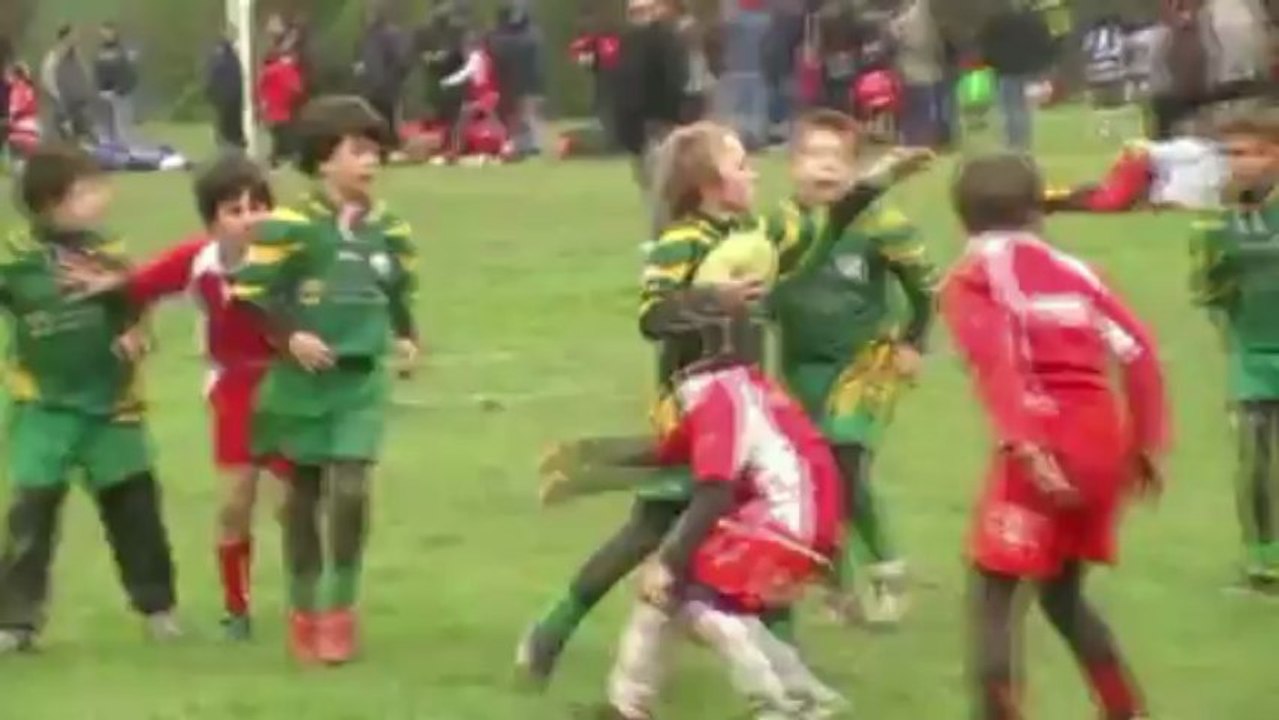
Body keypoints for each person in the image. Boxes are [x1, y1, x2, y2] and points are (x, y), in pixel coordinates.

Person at [516, 121, 912, 685]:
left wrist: (870, 186)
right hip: (696, 406)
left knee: (767, 525)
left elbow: (811, 241)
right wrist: (710, 298)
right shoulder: (682, 240)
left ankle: (785, 664)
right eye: (741, 164)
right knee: (649, 529)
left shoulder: (751, 230)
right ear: (707, 182)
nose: (753, 171)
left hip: (750, 406)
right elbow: (653, 316)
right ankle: (551, 630)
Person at [942, 154, 1168, 720]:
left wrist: (1026, 444)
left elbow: (999, 362)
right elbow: (1139, 353)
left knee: (993, 595)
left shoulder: (971, 277)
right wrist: (1143, 443)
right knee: (1062, 594)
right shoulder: (1076, 272)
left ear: (962, 219)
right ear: (1038, 213)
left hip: (1043, 449)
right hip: (1102, 448)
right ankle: (1125, 710)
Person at [60, 155, 286, 640]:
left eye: (259, 206)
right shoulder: (198, 260)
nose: (251, 218)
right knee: (235, 502)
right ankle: (237, 607)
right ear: (213, 222)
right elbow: (141, 285)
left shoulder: (293, 253)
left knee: (296, 503)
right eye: (236, 210)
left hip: (293, 384)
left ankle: (315, 606)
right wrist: (132, 321)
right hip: (234, 384)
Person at [230, 96, 419, 665]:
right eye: (357, 151)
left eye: (375, 151)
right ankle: (304, 606)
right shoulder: (289, 227)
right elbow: (250, 297)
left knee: (353, 487)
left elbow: (396, 291)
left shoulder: (389, 227)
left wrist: (407, 335)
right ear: (323, 159)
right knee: (302, 499)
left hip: (360, 384)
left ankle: (341, 608)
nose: (371, 162)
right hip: (301, 385)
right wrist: (290, 337)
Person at [595, 297, 846, 720]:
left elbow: (715, 490)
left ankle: (780, 705)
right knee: (672, 593)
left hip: (790, 517)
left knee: (700, 603)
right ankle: (628, 705)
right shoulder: (730, 386)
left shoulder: (718, 396)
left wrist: (669, 559)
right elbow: (670, 450)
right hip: (795, 508)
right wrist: (588, 460)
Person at [0, 143, 181, 654]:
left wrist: (136, 336)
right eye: (86, 191)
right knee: (31, 514)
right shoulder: (14, 259)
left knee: (135, 511)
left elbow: (140, 307)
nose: (103, 196)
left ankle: (158, 608)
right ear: (50, 203)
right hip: (43, 407)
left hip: (112, 408)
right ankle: (16, 622)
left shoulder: (110, 253)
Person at [767, 110, 936, 626]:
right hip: (799, 365)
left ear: (855, 167)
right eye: (814, 156)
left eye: (837, 158)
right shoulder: (780, 225)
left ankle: (888, 570)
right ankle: (835, 584)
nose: (826, 168)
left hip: (866, 361)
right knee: (812, 473)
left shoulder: (882, 223)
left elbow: (924, 289)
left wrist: (913, 341)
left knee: (844, 457)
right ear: (794, 165)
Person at [1190, 108, 1279, 587]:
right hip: (1254, 355)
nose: (1241, 163)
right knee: (1255, 459)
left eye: (1254, 153)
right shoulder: (1214, 222)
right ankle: (1263, 556)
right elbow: (1208, 290)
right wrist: (1237, 344)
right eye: (1233, 154)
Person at [1044, 116, 1227, 213]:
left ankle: (1060, 199)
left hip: (1153, 189)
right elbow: (1140, 150)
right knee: (1108, 202)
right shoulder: (1194, 150)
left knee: (1104, 200)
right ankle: (1056, 200)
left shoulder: (1216, 167)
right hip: (1142, 175)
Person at [614, 0, 690, 232]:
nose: (640, 17)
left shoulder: (668, 40)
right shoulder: (629, 43)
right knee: (650, 185)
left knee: (662, 187)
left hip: (660, 124)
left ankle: (667, 233)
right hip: (639, 126)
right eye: (634, 12)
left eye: (644, 10)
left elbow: (676, 83)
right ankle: (664, 232)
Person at [978, 4, 1054, 151]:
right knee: (1025, 108)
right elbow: (1046, 43)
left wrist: (991, 62)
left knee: (1010, 108)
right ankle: (1024, 142)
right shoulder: (1035, 19)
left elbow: (986, 43)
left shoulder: (997, 20)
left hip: (1007, 70)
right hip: (1030, 69)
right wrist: (1044, 66)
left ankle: (1013, 142)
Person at [490, 3, 547, 159]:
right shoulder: (528, 35)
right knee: (520, 113)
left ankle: (530, 144)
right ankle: (524, 144)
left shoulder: (527, 35)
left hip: (525, 80)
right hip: (517, 81)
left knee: (527, 112)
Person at [41, 25, 96, 142]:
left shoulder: (76, 55)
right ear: (64, 37)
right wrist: (56, 95)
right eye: (72, 35)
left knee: (85, 134)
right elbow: (47, 78)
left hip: (80, 103)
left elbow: (85, 74)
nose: (76, 38)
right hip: (63, 102)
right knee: (64, 134)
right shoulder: (54, 56)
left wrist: (87, 90)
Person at [259, 46, 306, 168]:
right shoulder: (288, 70)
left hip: (272, 109)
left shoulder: (268, 71)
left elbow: (261, 88)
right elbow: (297, 88)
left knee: (277, 135)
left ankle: (275, 159)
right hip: (284, 109)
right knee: (287, 135)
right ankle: (289, 157)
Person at [92, 22, 138, 146]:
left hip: (122, 95)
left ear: (114, 32)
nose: (105, 34)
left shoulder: (122, 50)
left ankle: (133, 153)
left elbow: (128, 74)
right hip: (105, 95)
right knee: (108, 129)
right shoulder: (100, 51)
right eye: (103, 32)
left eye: (108, 31)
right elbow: (98, 72)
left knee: (124, 128)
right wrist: (100, 90)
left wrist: (118, 90)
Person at [206, 31, 246, 150]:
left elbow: (212, 81)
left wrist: (211, 96)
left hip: (222, 101)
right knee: (234, 127)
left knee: (224, 128)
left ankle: (227, 148)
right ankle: (236, 145)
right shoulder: (235, 62)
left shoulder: (218, 63)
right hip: (235, 100)